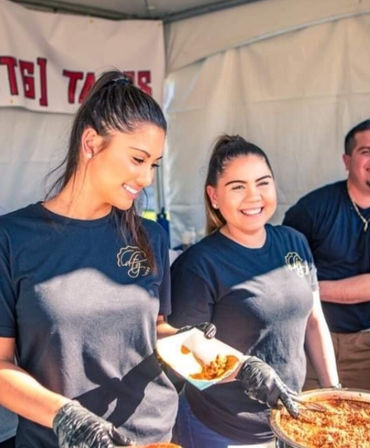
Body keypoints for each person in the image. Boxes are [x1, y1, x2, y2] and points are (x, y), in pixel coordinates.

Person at [0, 71, 296, 448]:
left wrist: (238, 365)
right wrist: (65, 416)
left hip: (152, 435)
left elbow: (157, 333)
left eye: (154, 164)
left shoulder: (150, 235)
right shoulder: (12, 238)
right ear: (91, 143)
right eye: (138, 159)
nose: (146, 178)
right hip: (55, 440)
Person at [169, 135, 339, 448]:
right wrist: (242, 370)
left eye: (263, 183)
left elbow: (315, 321)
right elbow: (181, 351)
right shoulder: (198, 264)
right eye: (238, 187)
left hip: (289, 422)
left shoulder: (294, 242)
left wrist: (334, 391)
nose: (254, 197)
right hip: (222, 429)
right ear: (214, 196)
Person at [283, 117, 370, 392]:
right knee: (306, 422)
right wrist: (304, 295)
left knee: (368, 424)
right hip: (305, 337)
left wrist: (309, 290)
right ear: (347, 161)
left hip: (361, 344)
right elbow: (283, 274)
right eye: (366, 151)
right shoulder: (312, 209)